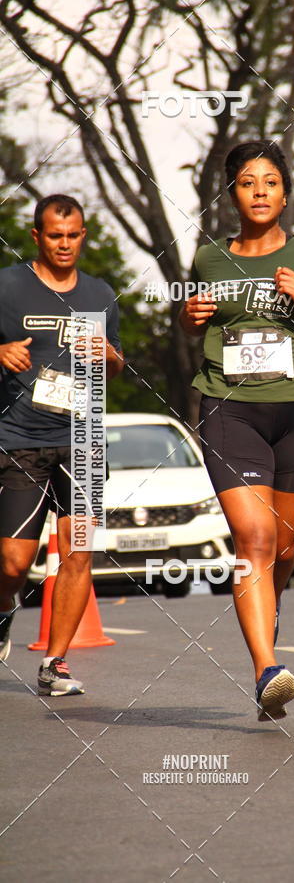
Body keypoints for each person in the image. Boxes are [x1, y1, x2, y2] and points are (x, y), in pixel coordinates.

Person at [179, 140, 294, 721]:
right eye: (247, 182)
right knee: (254, 538)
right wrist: (186, 318)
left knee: (283, 549)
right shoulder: (210, 258)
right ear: (231, 192)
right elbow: (193, 326)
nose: (259, 192)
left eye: (270, 182)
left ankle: (267, 629)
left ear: (285, 192)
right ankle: (266, 668)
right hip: (228, 410)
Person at [0, 194, 124, 695]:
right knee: (12, 562)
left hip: (84, 438)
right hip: (20, 438)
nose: (65, 244)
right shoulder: (7, 286)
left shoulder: (101, 294)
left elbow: (116, 367)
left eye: (73, 235)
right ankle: (6, 608)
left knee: (77, 553)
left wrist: (109, 354)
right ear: (36, 236)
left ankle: (56, 663)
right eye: (55, 235)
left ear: (83, 236)